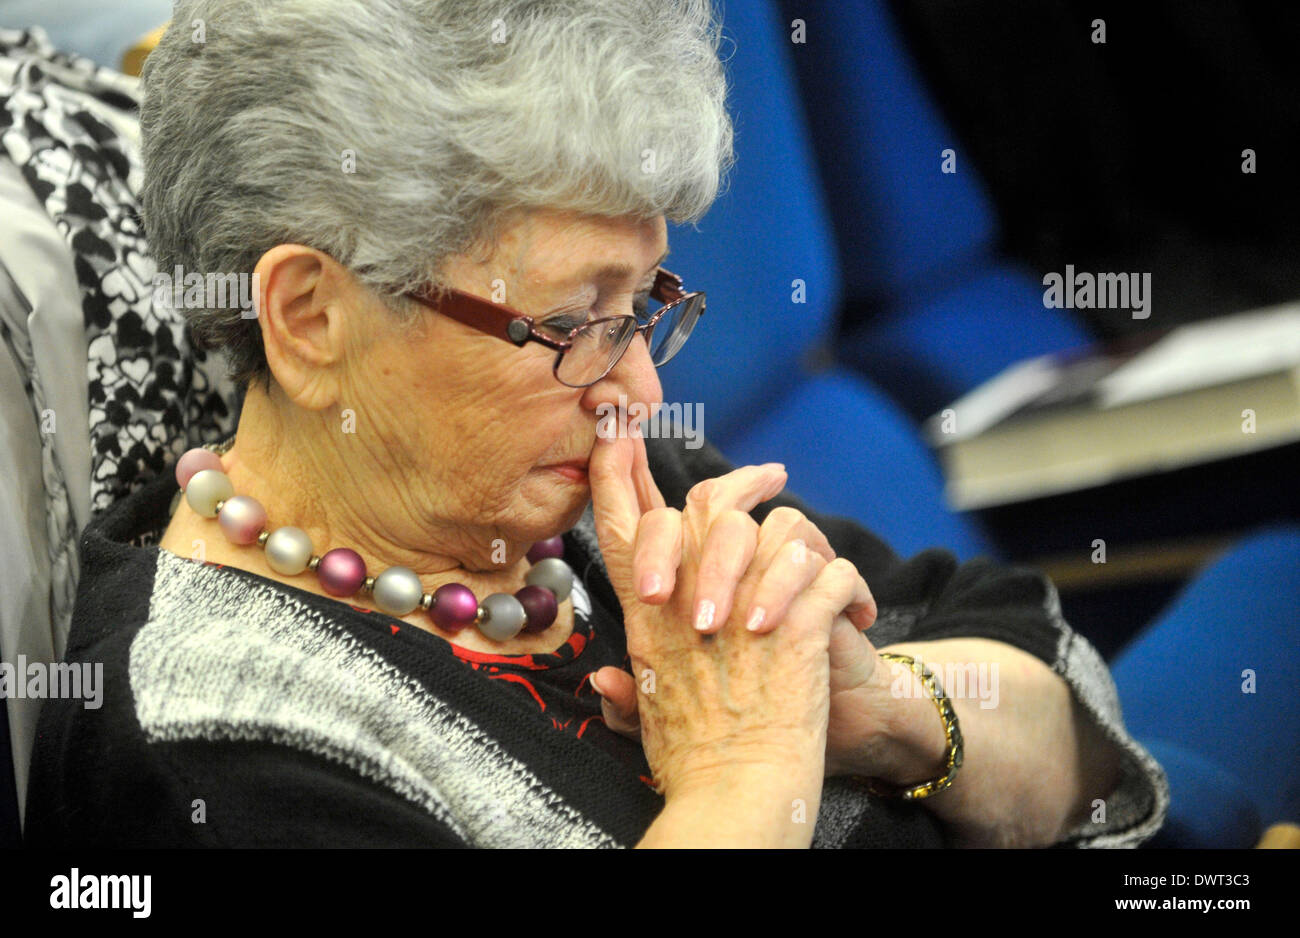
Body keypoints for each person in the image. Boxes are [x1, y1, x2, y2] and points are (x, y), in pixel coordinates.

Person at [23, 0, 1165, 848]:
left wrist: (889, 716)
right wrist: (741, 774)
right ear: (309, 317)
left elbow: (1061, 697)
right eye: (574, 320)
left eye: (646, 308)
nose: (641, 391)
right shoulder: (212, 749)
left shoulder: (597, 487)